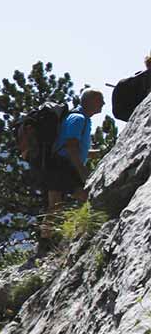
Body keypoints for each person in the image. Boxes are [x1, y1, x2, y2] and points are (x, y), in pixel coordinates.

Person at [39, 88, 104, 252]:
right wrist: (82, 172)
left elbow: (73, 146)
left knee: (55, 205)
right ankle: (88, 230)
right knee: (86, 196)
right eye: (100, 100)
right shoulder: (78, 119)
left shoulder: (80, 118)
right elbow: (71, 147)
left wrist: (94, 153)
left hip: (57, 165)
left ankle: (44, 242)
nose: (103, 103)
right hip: (64, 166)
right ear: (90, 101)